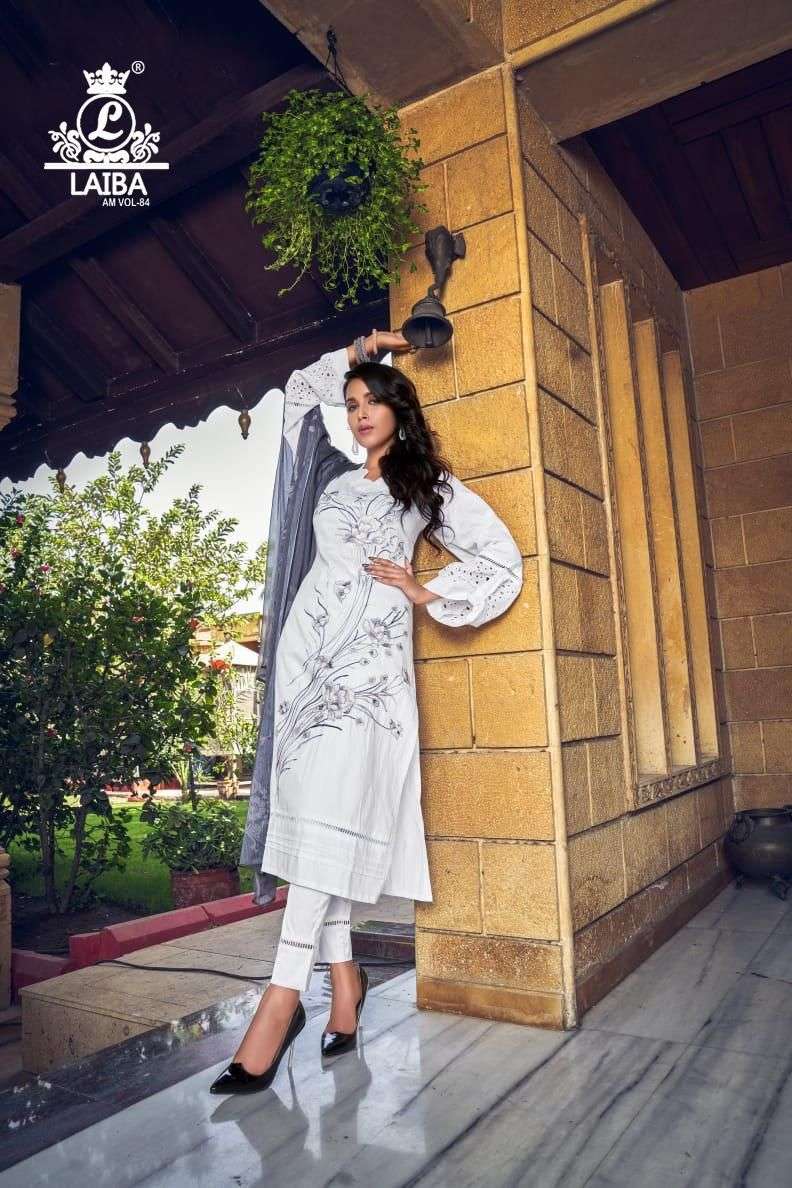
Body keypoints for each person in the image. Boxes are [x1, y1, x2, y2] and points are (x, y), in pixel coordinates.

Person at [210, 329, 523, 1094]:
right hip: (306, 671)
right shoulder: (332, 480)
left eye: (371, 401)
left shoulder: (426, 487)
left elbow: (501, 560)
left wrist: (424, 589)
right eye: (351, 402)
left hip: (368, 681)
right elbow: (298, 394)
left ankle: (282, 999)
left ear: (397, 411)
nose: (357, 413)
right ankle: (345, 982)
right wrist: (361, 350)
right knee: (318, 825)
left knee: (330, 823)